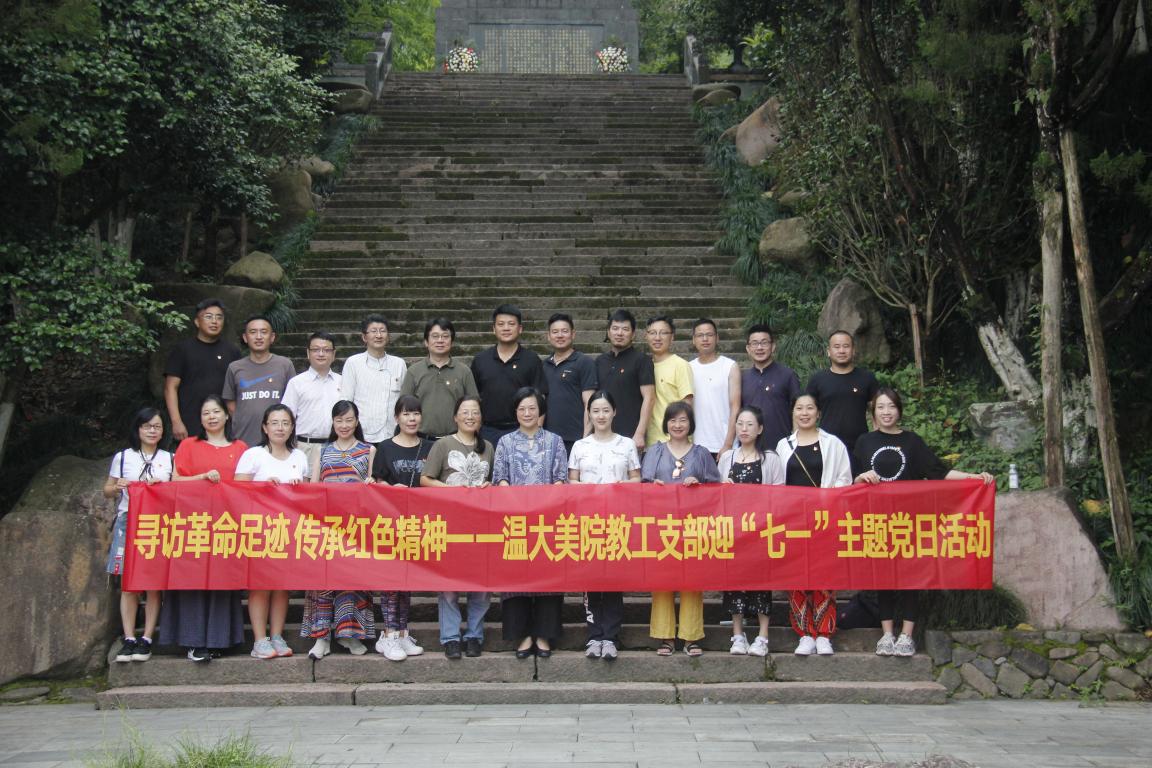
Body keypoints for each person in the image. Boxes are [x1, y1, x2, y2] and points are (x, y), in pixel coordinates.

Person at [853, 388, 994, 658]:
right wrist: (860, 478)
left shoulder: (912, 441)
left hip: (910, 519)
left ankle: (907, 635)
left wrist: (973, 477)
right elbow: (852, 477)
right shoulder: (864, 442)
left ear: (899, 411)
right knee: (883, 578)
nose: (886, 412)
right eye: (881, 407)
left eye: (891, 406)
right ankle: (887, 634)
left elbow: (938, 472)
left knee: (910, 578)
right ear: (873, 412)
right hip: (877, 519)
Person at [164, 395, 248, 662]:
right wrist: (201, 477)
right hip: (194, 524)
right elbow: (175, 480)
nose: (211, 417)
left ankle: (220, 639)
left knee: (223, 580)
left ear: (227, 415)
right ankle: (193, 641)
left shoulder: (241, 448)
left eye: (216, 412)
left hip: (227, 525)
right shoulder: (188, 445)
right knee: (193, 580)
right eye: (206, 413)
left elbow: (247, 486)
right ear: (200, 419)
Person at [492, 387, 568, 659]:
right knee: (516, 578)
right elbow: (500, 478)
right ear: (515, 412)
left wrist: (544, 505)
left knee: (548, 577)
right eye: (522, 408)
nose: (527, 413)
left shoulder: (555, 441)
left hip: (547, 519)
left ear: (540, 411)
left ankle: (544, 634)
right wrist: (516, 503)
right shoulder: (505, 442)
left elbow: (561, 479)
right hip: (515, 520)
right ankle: (522, 634)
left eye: (532, 408)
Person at [775, 394, 852, 656]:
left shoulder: (833, 444)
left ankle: (824, 633)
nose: (804, 413)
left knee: (824, 575)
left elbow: (844, 479)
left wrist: (826, 499)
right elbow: (777, 483)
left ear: (818, 412)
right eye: (799, 408)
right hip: (793, 520)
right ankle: (804, 633)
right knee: (796, 576)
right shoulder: (783, 445)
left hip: (824, 519)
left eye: (810, 408)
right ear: (792, 413)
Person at [640, 401, 719, 656]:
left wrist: (700, 486)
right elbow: (642, 486)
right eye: (673, 420)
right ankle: (665, 637)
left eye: (683, 420)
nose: (677, 425)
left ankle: (691, 637)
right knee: (662, 581)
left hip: (694, 527)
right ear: (666, 424)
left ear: (691, 424)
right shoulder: (655, 452)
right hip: (661, 527)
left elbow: (716, 490)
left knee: (692, 581)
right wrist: (654, 487)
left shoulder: (701, 453)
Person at [301, 400, 377, 660]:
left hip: (355, 527)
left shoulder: (368, 450)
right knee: (322, 580)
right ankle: (321, 637)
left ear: (357, 421)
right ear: (333, 422)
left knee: (352, 579)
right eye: (339, 420)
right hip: (326, 525)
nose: (344, 425)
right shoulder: (322, 451)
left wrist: (371, 483)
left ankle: (349, 634)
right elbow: (313, 487)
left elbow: (374, 488)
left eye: (349, 420)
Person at [568, 390, 640, 661]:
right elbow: (571, 482)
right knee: (590, 579)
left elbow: (637, 479)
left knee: (613, 578)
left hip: (617, 520)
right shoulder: (580, 446)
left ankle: (610, 636)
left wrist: (619, 486)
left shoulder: (627, 444)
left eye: (606, 410)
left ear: (614, 412)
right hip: (587, 520)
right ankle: (593, 635)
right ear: (589, 413)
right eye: (596, 410)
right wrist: (588, 489)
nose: (601, 416)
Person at [420, 396, 495, 659]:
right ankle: (451, 637)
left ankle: (474, 635)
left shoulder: (488, 447)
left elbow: (493, 481)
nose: (470, 417)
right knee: (449, 586)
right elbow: (425, 479)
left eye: (475, 412)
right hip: (449, 523)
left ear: (481, 418)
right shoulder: (443, 445)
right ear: (455, 417)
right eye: (465, 412)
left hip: (480, 525)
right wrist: (452, 490)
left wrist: (488, 486)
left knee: (481, 584)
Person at [234, 404, 310, 659]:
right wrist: (262, 486)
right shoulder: (253, 455)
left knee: (282, 586)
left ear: (292, 427)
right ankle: (259, 639)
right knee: (260, 585)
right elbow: (236, 491)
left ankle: (277, 635)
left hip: (289, 530)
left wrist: (300, 488)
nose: (280, 428)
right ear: (265, 427)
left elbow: (307, 496)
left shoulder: (299, 456)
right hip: (259, 528)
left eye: (286, 423)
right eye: (275, 423)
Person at [104, 407, 173, 663]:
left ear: (163, 431)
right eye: (147, 426)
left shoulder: (170, 458)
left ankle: (147, 637)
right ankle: (129, 637)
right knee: (129, 583)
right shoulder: (123, 457)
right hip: (128, 520)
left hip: (158, 524)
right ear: (138, 429)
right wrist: (117, 486)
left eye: (157, 426)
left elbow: (178, 489)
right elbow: (107, 489)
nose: (152, 431)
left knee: (154, 584)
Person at [717, 406, 784, 657]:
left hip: (761, 530)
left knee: (761, 583)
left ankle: (763, 636)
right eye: (740, 424)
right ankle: (737, 634)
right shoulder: (727, 458)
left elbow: (780, 493)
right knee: (733, 582)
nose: (744, 429)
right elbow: (716, 495)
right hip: (734, 531)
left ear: (760, 429)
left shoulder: (770, 458)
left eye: (749, 424)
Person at [370, 394, 432, 661]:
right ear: (396, 417)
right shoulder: (385, 448)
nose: (411, 419)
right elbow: (376, 481)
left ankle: (403, 632)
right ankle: (389, 635)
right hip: (390, 522)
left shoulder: (430, 447)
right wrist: (391, 489)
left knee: (407, 581)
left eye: (415, 413)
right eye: (406, 414)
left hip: (419, 524)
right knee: (390, 580)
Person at [163, 298, 241, 442]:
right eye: (208, 317)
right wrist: (176, 421)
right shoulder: (183, 350)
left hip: (224, 424)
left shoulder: (232, 351)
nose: (214, 321)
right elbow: (170, 387)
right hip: (190, 423)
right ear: (197, 322)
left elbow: (237, 390)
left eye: (219, 317)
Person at [470, 304, 547, 447]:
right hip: (487, 430)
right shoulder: (481, 360)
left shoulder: (531, 359)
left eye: (511, 324)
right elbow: (473, 398)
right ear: (494, 329)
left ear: (520, 328)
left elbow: (540, 399)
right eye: (501, 324)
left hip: (521, 429)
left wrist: (535, 434)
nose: (506, 328)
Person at [805, 330, 879, 469]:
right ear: (829, 351)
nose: (841, 351)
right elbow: (806, 413)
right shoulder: (818, 380)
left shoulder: (867, 378)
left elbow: (877, 411)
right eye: (837, 346)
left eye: (846, 346)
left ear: (853, 350)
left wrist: (877, 439)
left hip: (860, 445)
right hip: (827, 445)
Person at [222, 315, 296, 447]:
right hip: (243, 439)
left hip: (277, 441)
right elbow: (231, 404)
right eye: (253, 332)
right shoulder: (234, 368)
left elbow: (293, 402)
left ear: (272, 337)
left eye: (263, 332)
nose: (258, 337)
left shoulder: (285, 365)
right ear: (245, 337)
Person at [400, 317, 479, 439]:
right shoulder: (414, 371)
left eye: (445, 336)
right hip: (421, 439)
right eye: (435, 336)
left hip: (456, 439)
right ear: (426, 342)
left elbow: (475, 406)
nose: (440, 340)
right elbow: (403, 408)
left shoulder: (464, 372)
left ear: (452, 341)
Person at [341, 314, 409, 443]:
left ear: (388, 336)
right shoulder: (353, 363)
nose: (378, 335)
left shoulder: (399, 363)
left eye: (382, 331)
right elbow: (346, 400)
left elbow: (404, 399)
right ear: (364, 337)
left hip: (393, 434)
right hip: (363, 435)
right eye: (373, 331)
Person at [595, 309, 655, 453]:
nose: (619, 333)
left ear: (633, 334)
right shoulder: (600, 361)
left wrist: (640, 433)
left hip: (630, 437)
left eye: (625, 329)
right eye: (615, 328)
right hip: (602, 435)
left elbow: (650, 398)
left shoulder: (642, 360)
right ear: (608, 332)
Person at [543, 313, 598, 455]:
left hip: (575, 439)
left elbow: (589, 403)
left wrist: (585, 439)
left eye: (564, 331)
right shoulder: (544, 365)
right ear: (548, 336)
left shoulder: (584, 362)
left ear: (573, 334)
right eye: (555, 332)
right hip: (548, 439)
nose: (560, 335)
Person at [741, 324, 801, 451]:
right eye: (755, 343)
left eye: (764, 343)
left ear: (773, 346)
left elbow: (798, 409)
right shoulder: (743, 378)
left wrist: (796, 442)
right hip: (750, 449)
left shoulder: (787, 375)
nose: (759, 347)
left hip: (782, 447)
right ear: (748, 348)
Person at [689, 318, 740, 457]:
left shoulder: (729, 366)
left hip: (725, 444)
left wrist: (728, 444)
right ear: (693, 340)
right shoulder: (688, 368)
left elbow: (735, 406)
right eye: (700, 335)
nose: (705, 339)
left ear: (717, 338)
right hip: (696, 445)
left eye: (709, 334)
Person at [645, 316, 693, 447]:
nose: (657, 337)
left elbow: (687, 405)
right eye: (653, 333)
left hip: (675, 442)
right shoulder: (644, 366)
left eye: (663, 333)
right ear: (646, 336)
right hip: (651, 443)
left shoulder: (680, 365)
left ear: (672, 337)